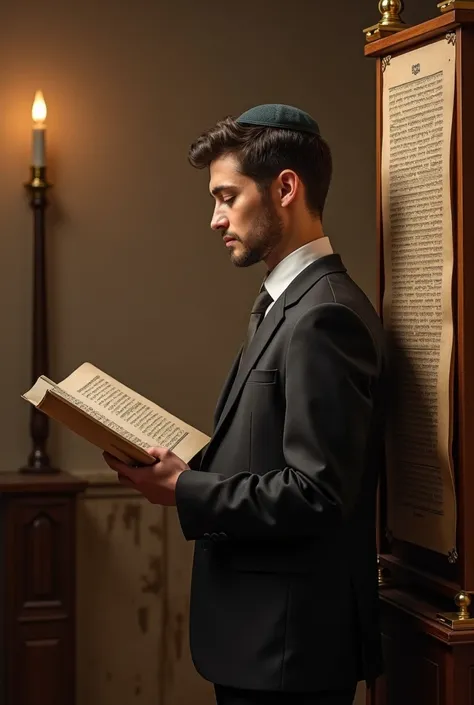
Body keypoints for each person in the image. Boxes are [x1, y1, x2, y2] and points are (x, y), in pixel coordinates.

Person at [103, 104, 387, 705]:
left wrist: (185, 489)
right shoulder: (288, 303)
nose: (214, 219)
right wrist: (174, 464)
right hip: (261, 644)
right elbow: (267, 449)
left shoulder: (325, 314)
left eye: (227, 197)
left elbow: (318, 494)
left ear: (286, 187)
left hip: (288, 653)